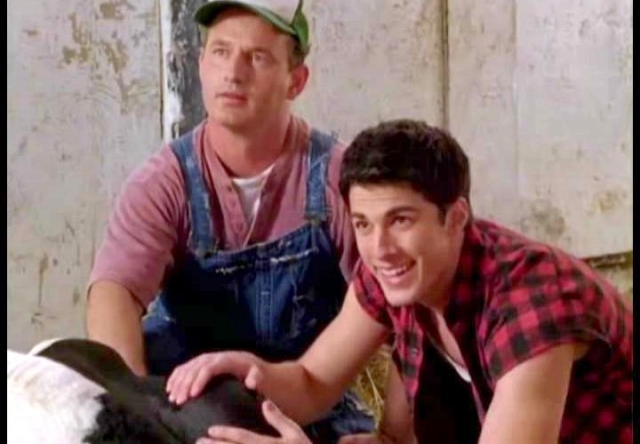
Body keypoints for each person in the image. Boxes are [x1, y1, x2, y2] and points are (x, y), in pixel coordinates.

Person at [166, 119, 633, 444]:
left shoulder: (529, 301)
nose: (379, 248)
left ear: (456, 217)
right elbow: (311, 382)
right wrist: (251, 371)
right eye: (363, 224)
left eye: (401, 220)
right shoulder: (398, 274)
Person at [84, 0, 376, 441]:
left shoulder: (337, 179)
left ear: (296, 80)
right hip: (184, 399)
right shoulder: (165, 182)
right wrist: (134, 410)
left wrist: (399, 430)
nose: (233, 73)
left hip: (300, 402)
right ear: (201, 64)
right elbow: (113, 293)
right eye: (220, 52)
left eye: (257, 57)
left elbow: (397, 303)